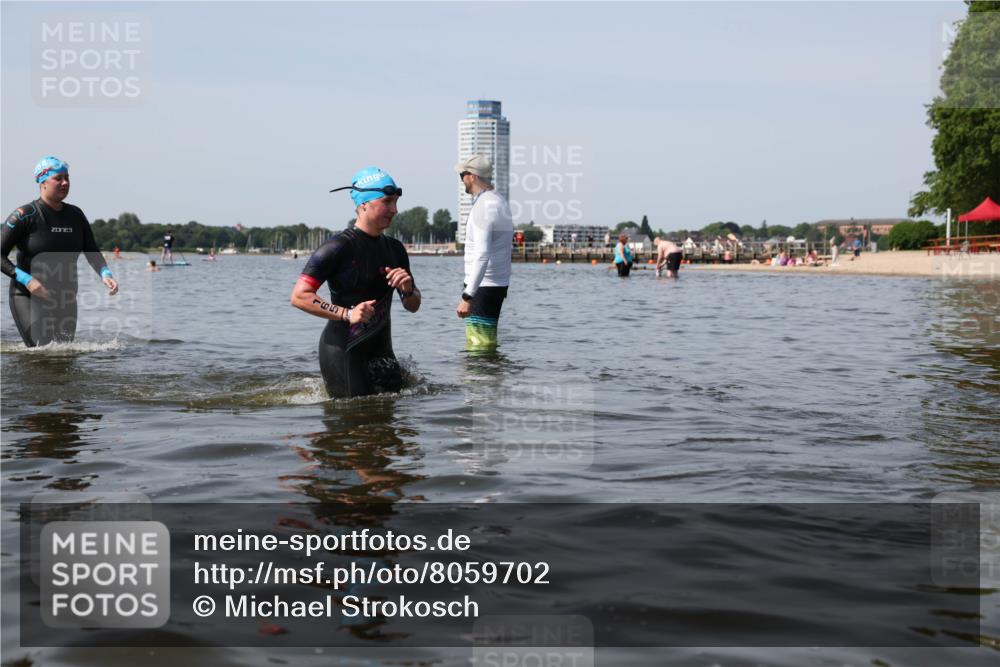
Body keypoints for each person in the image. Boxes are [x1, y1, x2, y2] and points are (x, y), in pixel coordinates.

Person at [290, 167, 420, 398]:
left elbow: (413, 306)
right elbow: (299, 296)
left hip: (382, 349)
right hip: (343, 349)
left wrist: (408, 289)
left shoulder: (395, 249)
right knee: (353, 423)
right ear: (364, 204)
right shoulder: (337, 248)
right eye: (387, 202)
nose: (395, 210)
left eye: (396, 202)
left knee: (389, 419)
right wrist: (347, 314)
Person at [1, 156, 119, 347]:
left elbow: (91, 250)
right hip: (28, 295)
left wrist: (105, 274)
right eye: (58, 178)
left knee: (64, 355)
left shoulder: (76, 215)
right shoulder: (25, 215)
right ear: (42, 182)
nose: (65, 183)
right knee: (42, 351)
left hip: (65, 298)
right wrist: (28, 281)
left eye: (67, 178)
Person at [455, 155, 513, 350]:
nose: (461, 179)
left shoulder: (483, 207)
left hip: (482, 285)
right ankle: (490, 378)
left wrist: (467, 296)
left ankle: (478, 380)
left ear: (472, 176)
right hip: (496, 283)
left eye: (462, 175)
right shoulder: (500, 201)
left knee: (478, 343)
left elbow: (482, 254)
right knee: (486, 341)